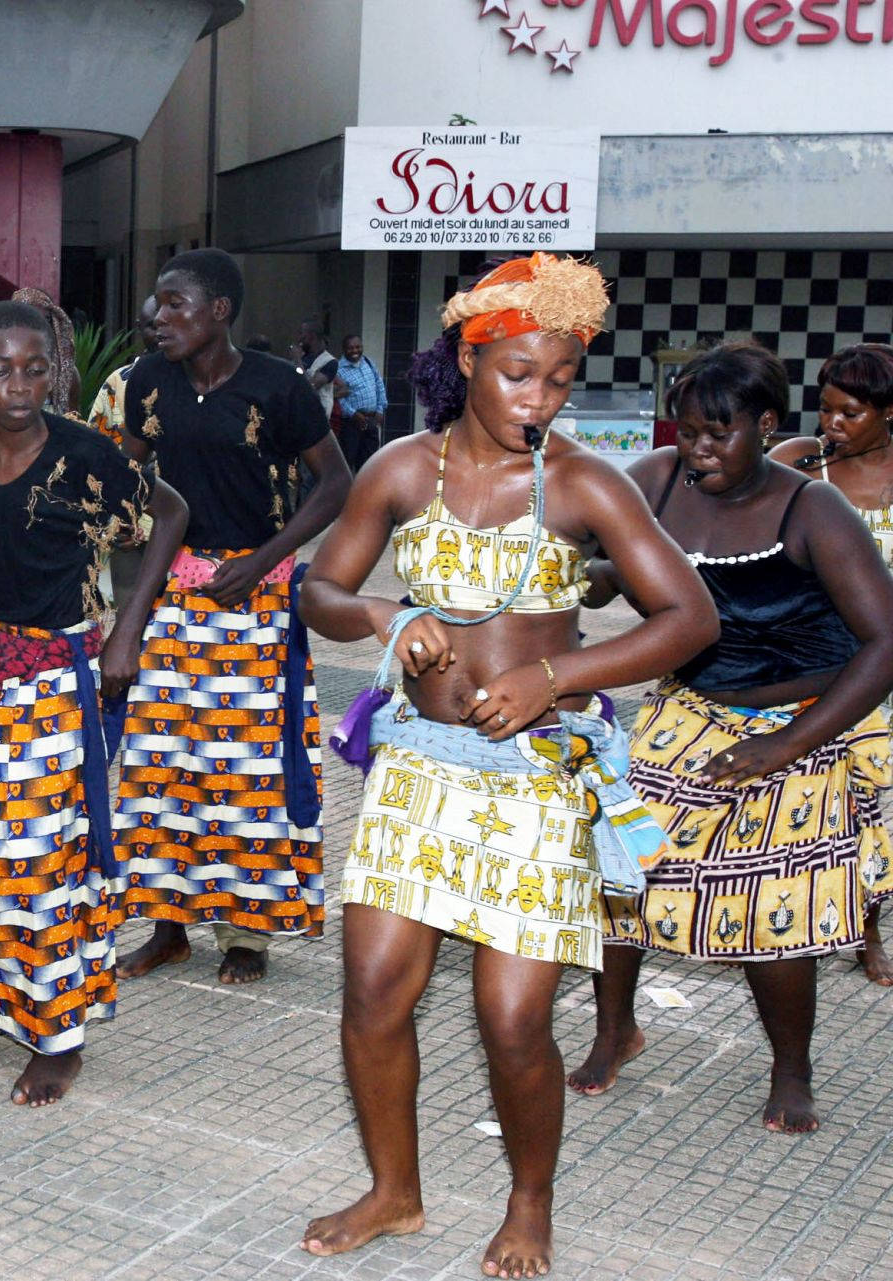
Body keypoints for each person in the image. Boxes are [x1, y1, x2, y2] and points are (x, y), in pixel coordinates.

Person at [296, 253, 717, 1277]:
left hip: (535, 775)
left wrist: (557, 673)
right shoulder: (402, 467)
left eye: (561, 379)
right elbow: (319, 592)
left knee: (516, 1020)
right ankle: (395, 1191)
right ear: (469, 359)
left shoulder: (581, 481)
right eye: (520, 373)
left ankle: (531, 1204)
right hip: (418, 770)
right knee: (374, 993)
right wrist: (390, 618)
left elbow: (689, 618)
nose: (541, 398)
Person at [571, 342, 893, 1137]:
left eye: (720, 433)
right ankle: (616, 1028)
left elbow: (884, 644)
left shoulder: (812, 508)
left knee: (769, 899)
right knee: (623, 866)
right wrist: (594, 569)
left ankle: (792, 1066)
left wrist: (781, 748)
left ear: (767, 425)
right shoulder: (653, 481)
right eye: (687, 432)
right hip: (688, 705)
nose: (700, 449)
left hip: (801, 716)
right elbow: (599, 558)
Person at [0, 300, 188, 1106]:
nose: (19, 385)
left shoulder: (88, 454)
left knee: (40, 861)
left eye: (34, 368)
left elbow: (172, 512)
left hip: (54, 675)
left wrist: (129, 627)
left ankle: (57, 1034)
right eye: (0, 369)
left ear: (53, 372)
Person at [109, 248, 352, 985]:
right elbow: (131, 475)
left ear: (219, 311)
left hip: (258, 597)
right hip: (171, 598)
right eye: (156, 304)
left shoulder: (278, 388)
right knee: (161, 765)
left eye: (175, 303)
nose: (158, 318)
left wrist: (264, 557)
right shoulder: (147, 384)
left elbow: (337, 481)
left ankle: (246, 935)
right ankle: (168, 925)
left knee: (245, 770)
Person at [769, 343, 893, 985]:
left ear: (887, 413)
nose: (832, 425)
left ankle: (867, 922)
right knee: (831, 802)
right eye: (825, 409)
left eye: (850, 413)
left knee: (870, 804)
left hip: (883, 662)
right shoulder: (799, 464)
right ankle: (842, 925)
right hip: (811, 661)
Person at [86, 295, 161, 450]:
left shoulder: (197, 382)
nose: (160, 333)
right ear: (139, 327)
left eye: (168, 325)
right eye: (153, 326)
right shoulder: (118, 382)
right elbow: (96, 447)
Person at [13, 286, 81, 415]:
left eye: (43, 321)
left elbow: (75, 426)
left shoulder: (68, 374)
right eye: (27, 321)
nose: (35, 330)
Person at [333, 334, 388, 474]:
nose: (354, 350)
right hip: (351, 423)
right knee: (348, 462)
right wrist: (354, 414)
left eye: (358, 347)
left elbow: (379, 385)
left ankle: (366, 493)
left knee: (370, 463)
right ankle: (347, 494)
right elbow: (338, 398)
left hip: (371, 420)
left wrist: (381, 409)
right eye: (350, 348)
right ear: (344, 349)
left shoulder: (368, 362)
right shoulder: (338, 369)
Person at [298, 325, 337, 421]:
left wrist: (297, 360)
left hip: (317, 417)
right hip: (301, 413)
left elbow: (310, 386)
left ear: (312, 336)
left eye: (303, 337)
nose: (300, 340)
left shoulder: (330, 361)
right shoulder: (304, 357)